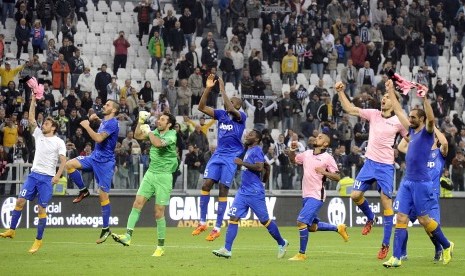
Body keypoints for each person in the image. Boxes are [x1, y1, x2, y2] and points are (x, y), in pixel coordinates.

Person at [383, 80, 454, 268]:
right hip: (407, 182)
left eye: (414, 117)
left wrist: (425, 99)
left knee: (424, 220)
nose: (410, 119)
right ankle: (396, 257)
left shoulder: (427, 133)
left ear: (421, 120)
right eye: (411, 117)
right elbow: (398, 111)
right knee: (401, 218)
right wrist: (390, 90)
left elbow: (431, 120)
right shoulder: (412, 132)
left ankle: (446, 245)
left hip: (422, 183)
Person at [335, 80, 408, 259]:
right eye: (382, 96)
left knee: (386, 203)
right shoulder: (373, 114)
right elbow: (350, 109)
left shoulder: (398, 121)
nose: (383, 99)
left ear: (393, 101)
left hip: (385, 167)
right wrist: (340, 92)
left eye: (387, 97)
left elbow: (410, 137)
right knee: (354, 195)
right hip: (370, 164)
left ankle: (385, 245)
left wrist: (401, 149)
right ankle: (370, 217)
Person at [0, 91, 66, 254]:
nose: (43, 125)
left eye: (47, 124)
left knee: (41, 209)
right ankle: (12, 230)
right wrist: (33, 100)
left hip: (47, 179)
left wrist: (57, 176)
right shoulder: (39, 135)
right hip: (34, 175)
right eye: (43, 123)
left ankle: (38, 240)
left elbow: (63, 160)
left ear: (54, 128)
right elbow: (31, 118)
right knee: (20, 201)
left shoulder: (59, 142)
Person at [212, 129, 288, 259]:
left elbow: (260, 167)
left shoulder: (257, 150)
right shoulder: (248, 150)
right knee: (233, 218)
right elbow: (266, 167)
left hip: (254, 192)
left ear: (257, 139)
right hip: (243, 191)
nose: (247, 135)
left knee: (265, 221)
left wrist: (243, 164)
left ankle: (282, 242)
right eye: (248, 134)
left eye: (251, 135)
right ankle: (227, 249)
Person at [112, 111, 177, 257]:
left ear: (169, 124)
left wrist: (149, 132)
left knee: (158, 212)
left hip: (164, 177)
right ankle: (127, 236)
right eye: (159, 119)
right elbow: (137, 136)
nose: (159, 121)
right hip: (151, 174)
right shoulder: (154, 132)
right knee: (137, 203)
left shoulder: (171, 135)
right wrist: (141, 122)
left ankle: (160, 247)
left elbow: (158, 144)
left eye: (162, 120)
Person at [191, 75, 246, 241]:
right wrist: (208, 88)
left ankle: (217, 227)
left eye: (232, 101)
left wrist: (222, 88)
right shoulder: (221, 115)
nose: (228, 102)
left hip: (231, 157)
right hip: (218, 155)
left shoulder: (241, 117)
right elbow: (201, 107)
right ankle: (202, 222)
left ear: (238, 105)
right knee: (206, 184)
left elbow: (229, 105)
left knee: (223, 189)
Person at [287, 132, 348, 261]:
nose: (316, 138)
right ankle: (338, 228)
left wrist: (324, 172)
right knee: (311, 227)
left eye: (320, 137)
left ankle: (302, 254)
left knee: (301, 221)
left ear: (325, 143)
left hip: (316, 195)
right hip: (306, 195)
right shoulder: (307, 154)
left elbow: (337, 177)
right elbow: (293, 160)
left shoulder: (327, 158)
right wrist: (292, 150)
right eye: (316, 136)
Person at [65, 99, 120, 244]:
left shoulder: (113, 122)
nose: (104, 106)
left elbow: (98, 138)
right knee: (69, 165)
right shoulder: (106, 121)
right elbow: (104, 125)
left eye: (108, 105)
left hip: (105, 163)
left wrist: (87, 126)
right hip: (94, 157)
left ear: (113, 110)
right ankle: (83, 190)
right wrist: (97, 119)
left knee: (102, 195)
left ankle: (106, 228)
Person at [397, 126, 448, 261]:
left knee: (429, 226)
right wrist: (412, 133)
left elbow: (445, 143)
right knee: (403, 221)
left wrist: (434, 127)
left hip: (431, 194)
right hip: (414, 191)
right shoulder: (419, 151)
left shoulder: (439, 153)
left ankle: (438, 248)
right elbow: (401, 147)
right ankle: (403, 253)